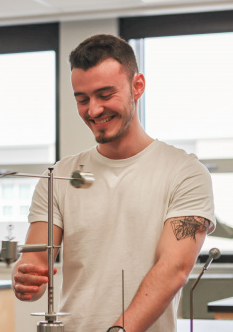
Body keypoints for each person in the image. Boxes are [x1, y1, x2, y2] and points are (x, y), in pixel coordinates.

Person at [12, 34, 215, 332]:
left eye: (105, 95)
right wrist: (25, 280)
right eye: (82, 99)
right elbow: (35, 265)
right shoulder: (59, 176)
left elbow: (173, 269)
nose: (93, 110)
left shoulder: (184, 172)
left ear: (137, 86)